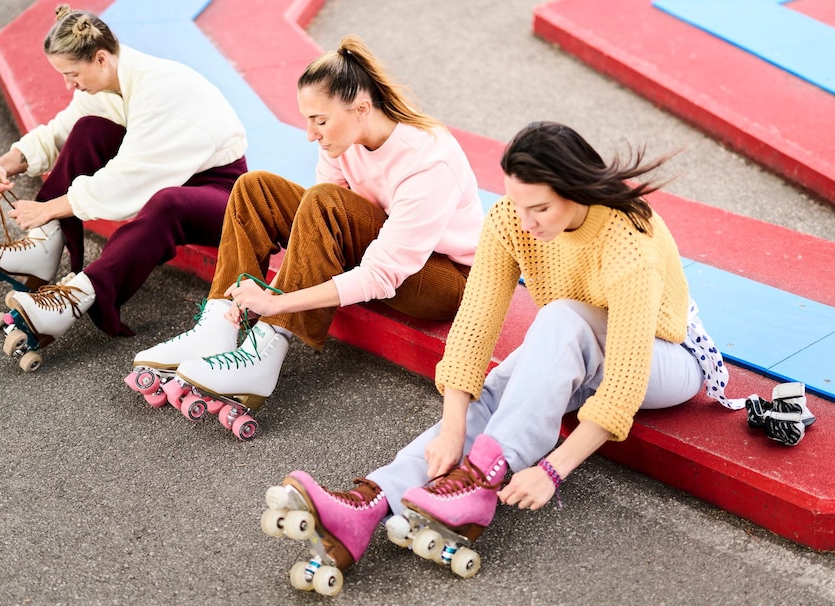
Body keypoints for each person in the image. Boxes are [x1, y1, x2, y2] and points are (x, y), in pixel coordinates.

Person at [261, 122, 734, 588]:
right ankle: (368, 503)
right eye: (519, 204)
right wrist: (453, 428)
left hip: (668, 356)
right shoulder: (511, 219)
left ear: (577, 191)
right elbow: (474, 327)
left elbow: (625, 383)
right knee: (493, 393)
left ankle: (478, 481)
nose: (526, 222)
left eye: (541, 208)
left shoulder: (630, 238)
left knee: (561, 319)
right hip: (577, 341)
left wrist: (552, 469)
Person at [130, 35, 484, 409]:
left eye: (320, 121)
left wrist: (276, 305)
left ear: (361, 109)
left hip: (447, 279)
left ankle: (263, 353)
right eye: (308, 120)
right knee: (255, 188)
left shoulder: (427, 160)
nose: (311, 134)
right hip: (383, 242)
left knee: (323, 200)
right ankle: (219, 326)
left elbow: (380, 275)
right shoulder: (340, 142)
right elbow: (312, 231)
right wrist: (257, 297)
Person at [0, 5, 248, 341]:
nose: (68, 85)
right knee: (89, 129)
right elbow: (62, 131)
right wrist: (4, 162)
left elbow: (129, 181)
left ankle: (78, 295)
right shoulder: (111, 83)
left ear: (101, 59)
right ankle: (43, 248)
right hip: (173, 176)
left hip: (224, 196)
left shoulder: (160, 89)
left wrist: (47, 208)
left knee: (167, 202)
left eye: (72, 74)